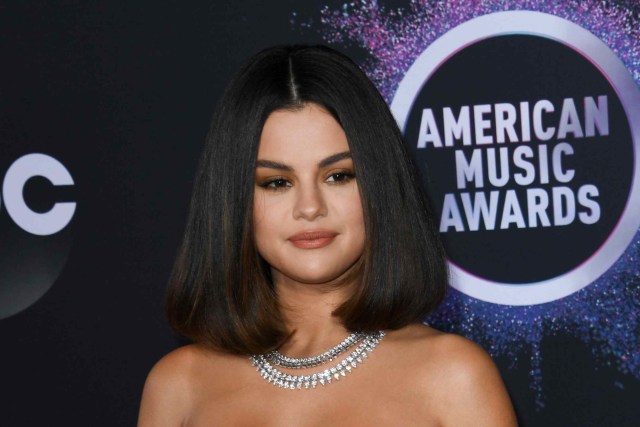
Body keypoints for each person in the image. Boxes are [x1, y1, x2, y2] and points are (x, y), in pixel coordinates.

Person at [138, 45, 517, 426]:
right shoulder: (179, 385)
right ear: (233, 201)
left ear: (379, 186)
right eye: (277, 182)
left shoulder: (452, 375)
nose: (309, 207)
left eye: (338, 176)